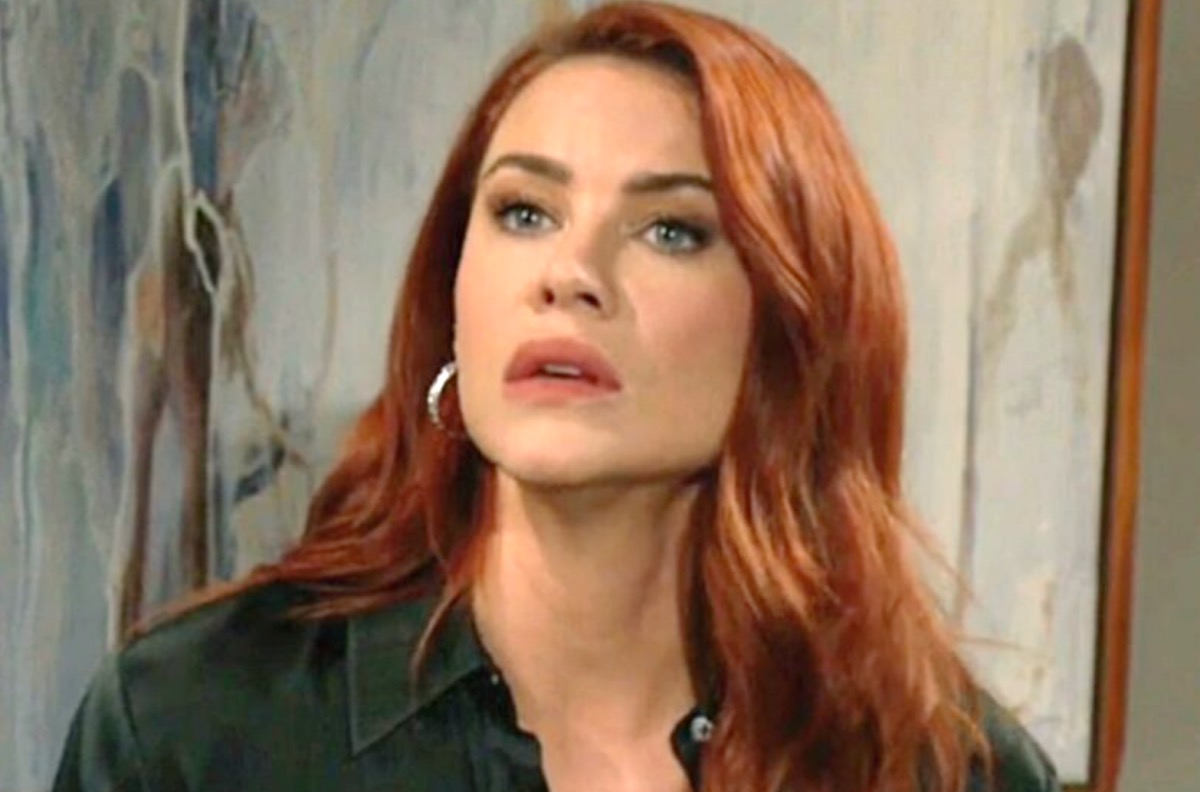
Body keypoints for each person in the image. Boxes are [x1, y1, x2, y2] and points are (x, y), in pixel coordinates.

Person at [52, 3, 1061, 791]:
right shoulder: (194, 725)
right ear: (454, 290)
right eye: (524, 212)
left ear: (790, 337)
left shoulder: (945, 769)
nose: (569, 274)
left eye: (671, 230)